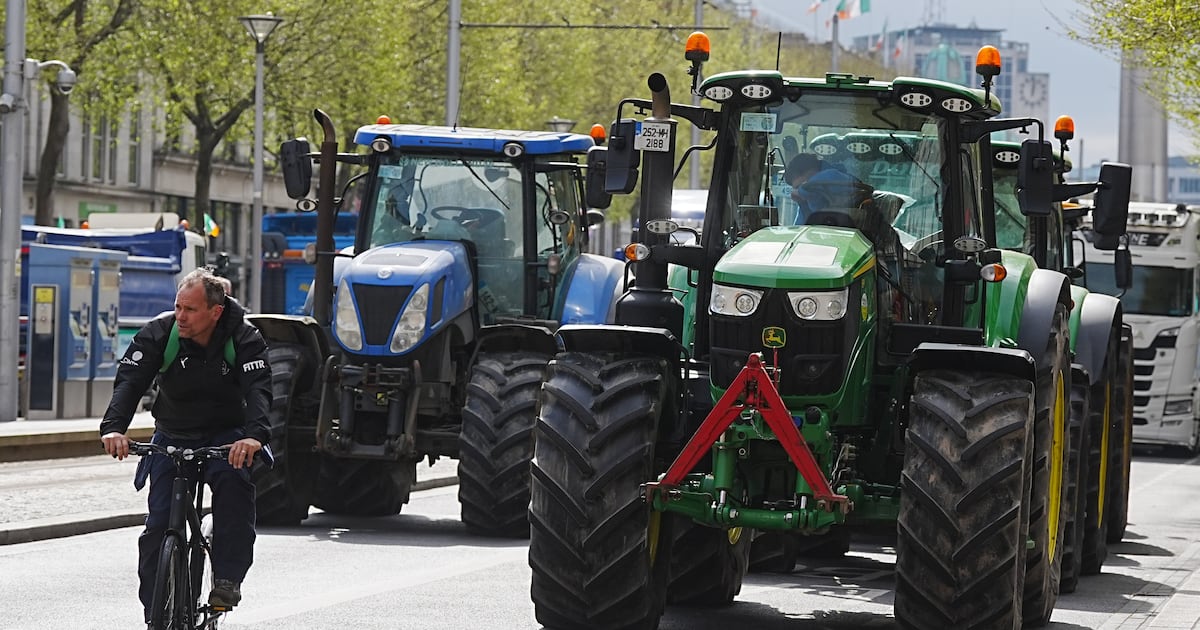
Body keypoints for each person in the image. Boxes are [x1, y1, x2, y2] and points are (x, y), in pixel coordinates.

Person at [100, 268, 272, 627]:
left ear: (215, 311)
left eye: (190, 310)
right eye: (178, 307)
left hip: (226, 435)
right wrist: (114, 428)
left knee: (234, 488)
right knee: (158, 525)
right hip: (173, 433)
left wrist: (254, 437)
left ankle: (227, 578)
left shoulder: (243, 337)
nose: (181, 316)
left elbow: (259, 389)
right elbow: (130, 382)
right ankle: (156, 613)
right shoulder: (161, 333)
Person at [785, 153, 874, 223]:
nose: (798, 190)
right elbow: (799, 227)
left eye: (800, 185)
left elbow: (826, 178)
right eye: (796, 188)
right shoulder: (808, 201)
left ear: (812, 172)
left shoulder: (836, 176)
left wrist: (801, 191)